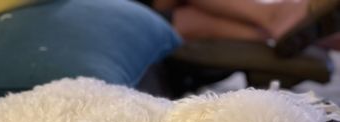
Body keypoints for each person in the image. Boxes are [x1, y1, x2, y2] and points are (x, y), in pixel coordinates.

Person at [138, 0, 340, 52]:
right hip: (137, 16)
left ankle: (279, 19)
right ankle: (277, 17)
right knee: (190, 18)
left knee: (192, 16)